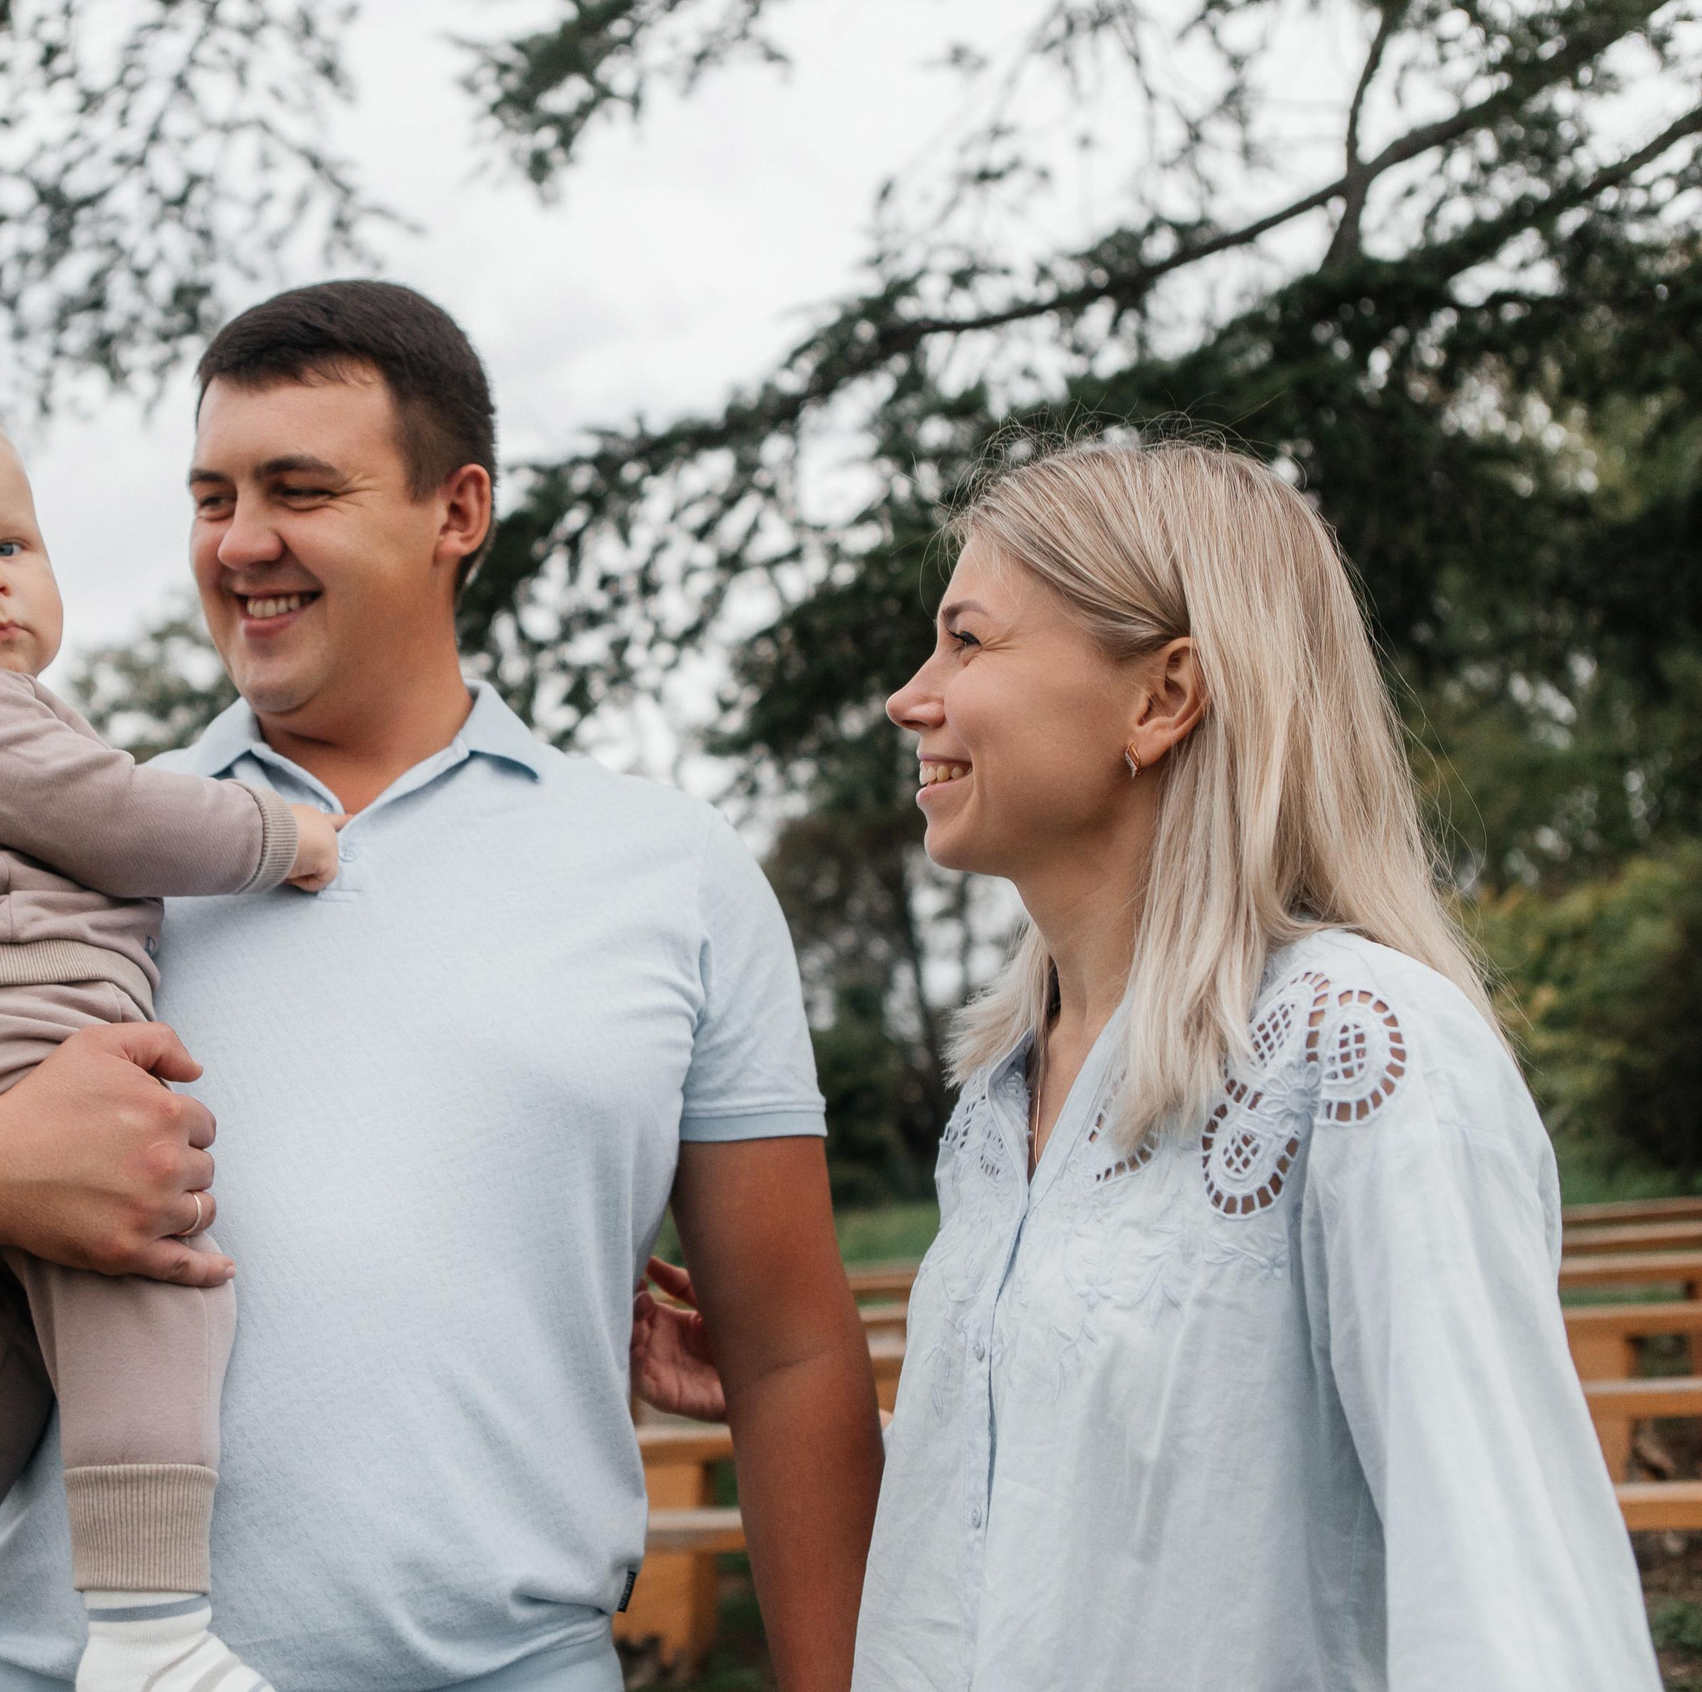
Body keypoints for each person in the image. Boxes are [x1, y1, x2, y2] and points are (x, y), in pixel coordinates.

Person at [0, 280, 885, 1691]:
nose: (240, 541)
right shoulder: (73, 838)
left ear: (457, 510)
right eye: (211, 497)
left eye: (299, 489)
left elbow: (790, 1357)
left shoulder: (670, 868)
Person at [650, 435, 1654, 1689]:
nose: (910, 697)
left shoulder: (1364, 1050)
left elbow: (1508, 1600)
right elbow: (1096, 1533)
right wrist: (809, 1409)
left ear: (1162, 695)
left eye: (966, 641)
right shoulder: (998, 1101)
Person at [0, 390, 344, 1692]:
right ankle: (149, 1636)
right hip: (4, 1038)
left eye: (10, 545)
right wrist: (280, 833)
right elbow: (111, 814)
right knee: (150, 1266)